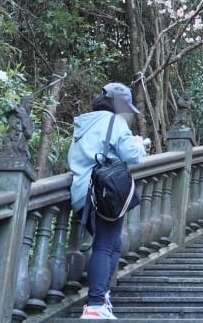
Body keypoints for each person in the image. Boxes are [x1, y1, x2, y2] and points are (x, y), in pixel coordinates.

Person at [68, 82, 147, 319]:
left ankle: (102, 297)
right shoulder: (115, 122)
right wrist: (139, 144)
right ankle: (95, 304)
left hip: (81, 192)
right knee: (104, 245)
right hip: (104, 192)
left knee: (114, 243)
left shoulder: (84, 123)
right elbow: (132, 155)